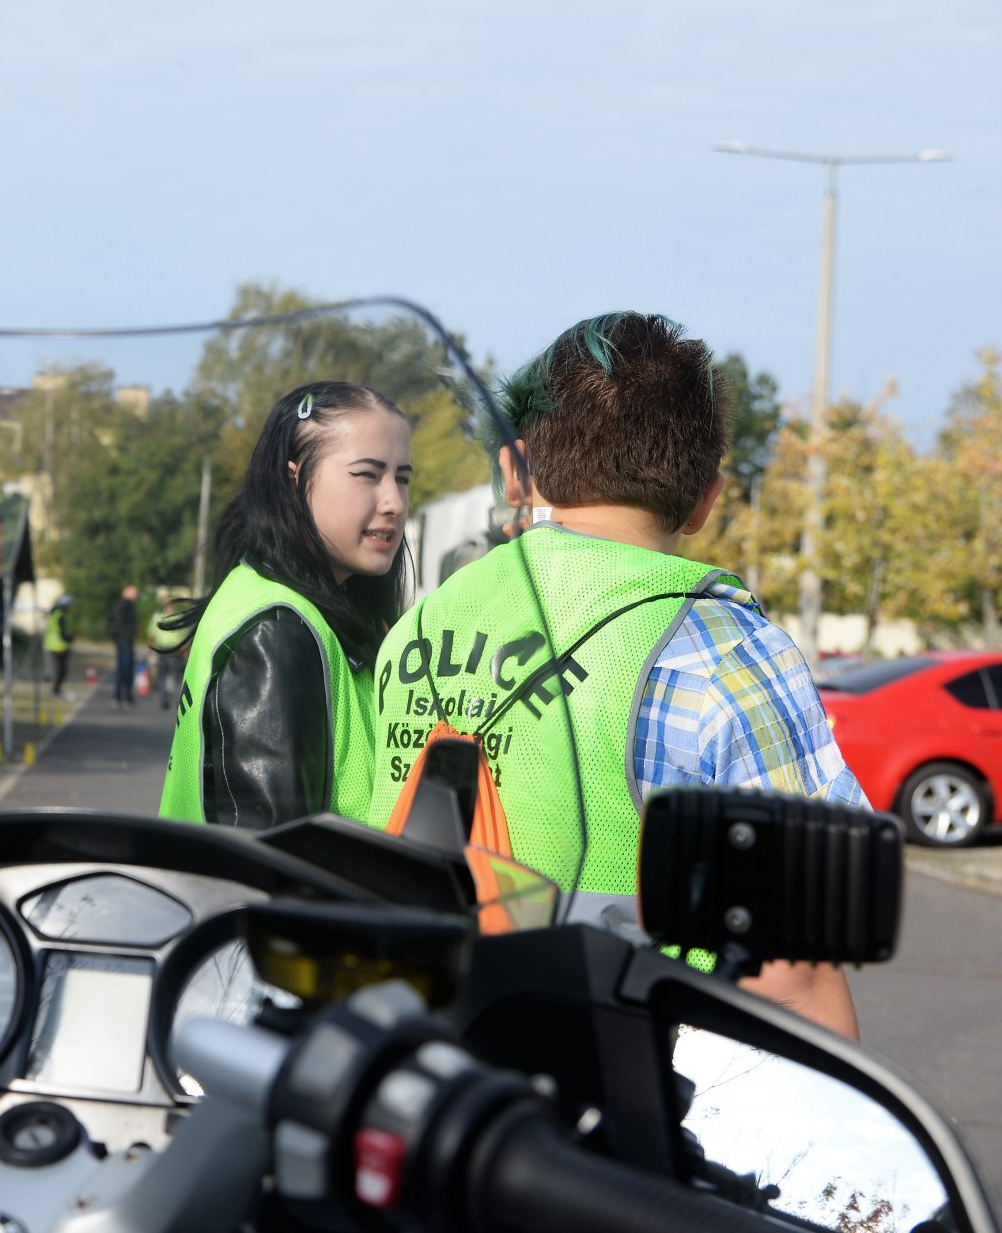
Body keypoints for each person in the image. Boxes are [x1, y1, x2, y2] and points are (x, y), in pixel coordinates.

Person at [363, 311, 863, 1038]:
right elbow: (797, 969)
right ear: (705, 501)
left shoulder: (421, 624)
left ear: (515, 469)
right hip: (632, 1092)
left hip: (423, 1058)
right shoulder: (723, 649)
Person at [159, 381, 411, 827]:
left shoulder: (271, 596)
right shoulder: (277, 630)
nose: (393, 502)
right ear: (294, 479)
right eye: (367, 475)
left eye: (402, 478)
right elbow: (273, 865)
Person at [148, 592, 186, 710]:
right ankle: (174, 701)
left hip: (163, 649)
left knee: (164, 675)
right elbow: (183, 637)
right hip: (172, 650)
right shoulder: (178, 618)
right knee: (173, 676)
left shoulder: (158, 618)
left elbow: (151, 636)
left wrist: (151, 650)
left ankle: (165, 700)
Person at [109, 584, 140, 709]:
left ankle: (122, 697)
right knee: (125, 670)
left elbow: (111, 622)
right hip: (125, 641)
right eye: (134, 592)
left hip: (123, 641)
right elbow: (120, 623)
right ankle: (123, 697)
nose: (136, 594)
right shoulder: (125, 605)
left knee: (124, 669)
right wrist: (129, 632)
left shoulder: (121, 605)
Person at [44, 594, 74, 697]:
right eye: (70, 604)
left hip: (56, 645)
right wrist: (70, 639)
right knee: (62, 669)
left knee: (61, 669)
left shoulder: (56, 613)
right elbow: (63, 632)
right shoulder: (61, 615)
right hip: (59, 645)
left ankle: (56, 689)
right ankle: (56, 690)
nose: (72, 607)